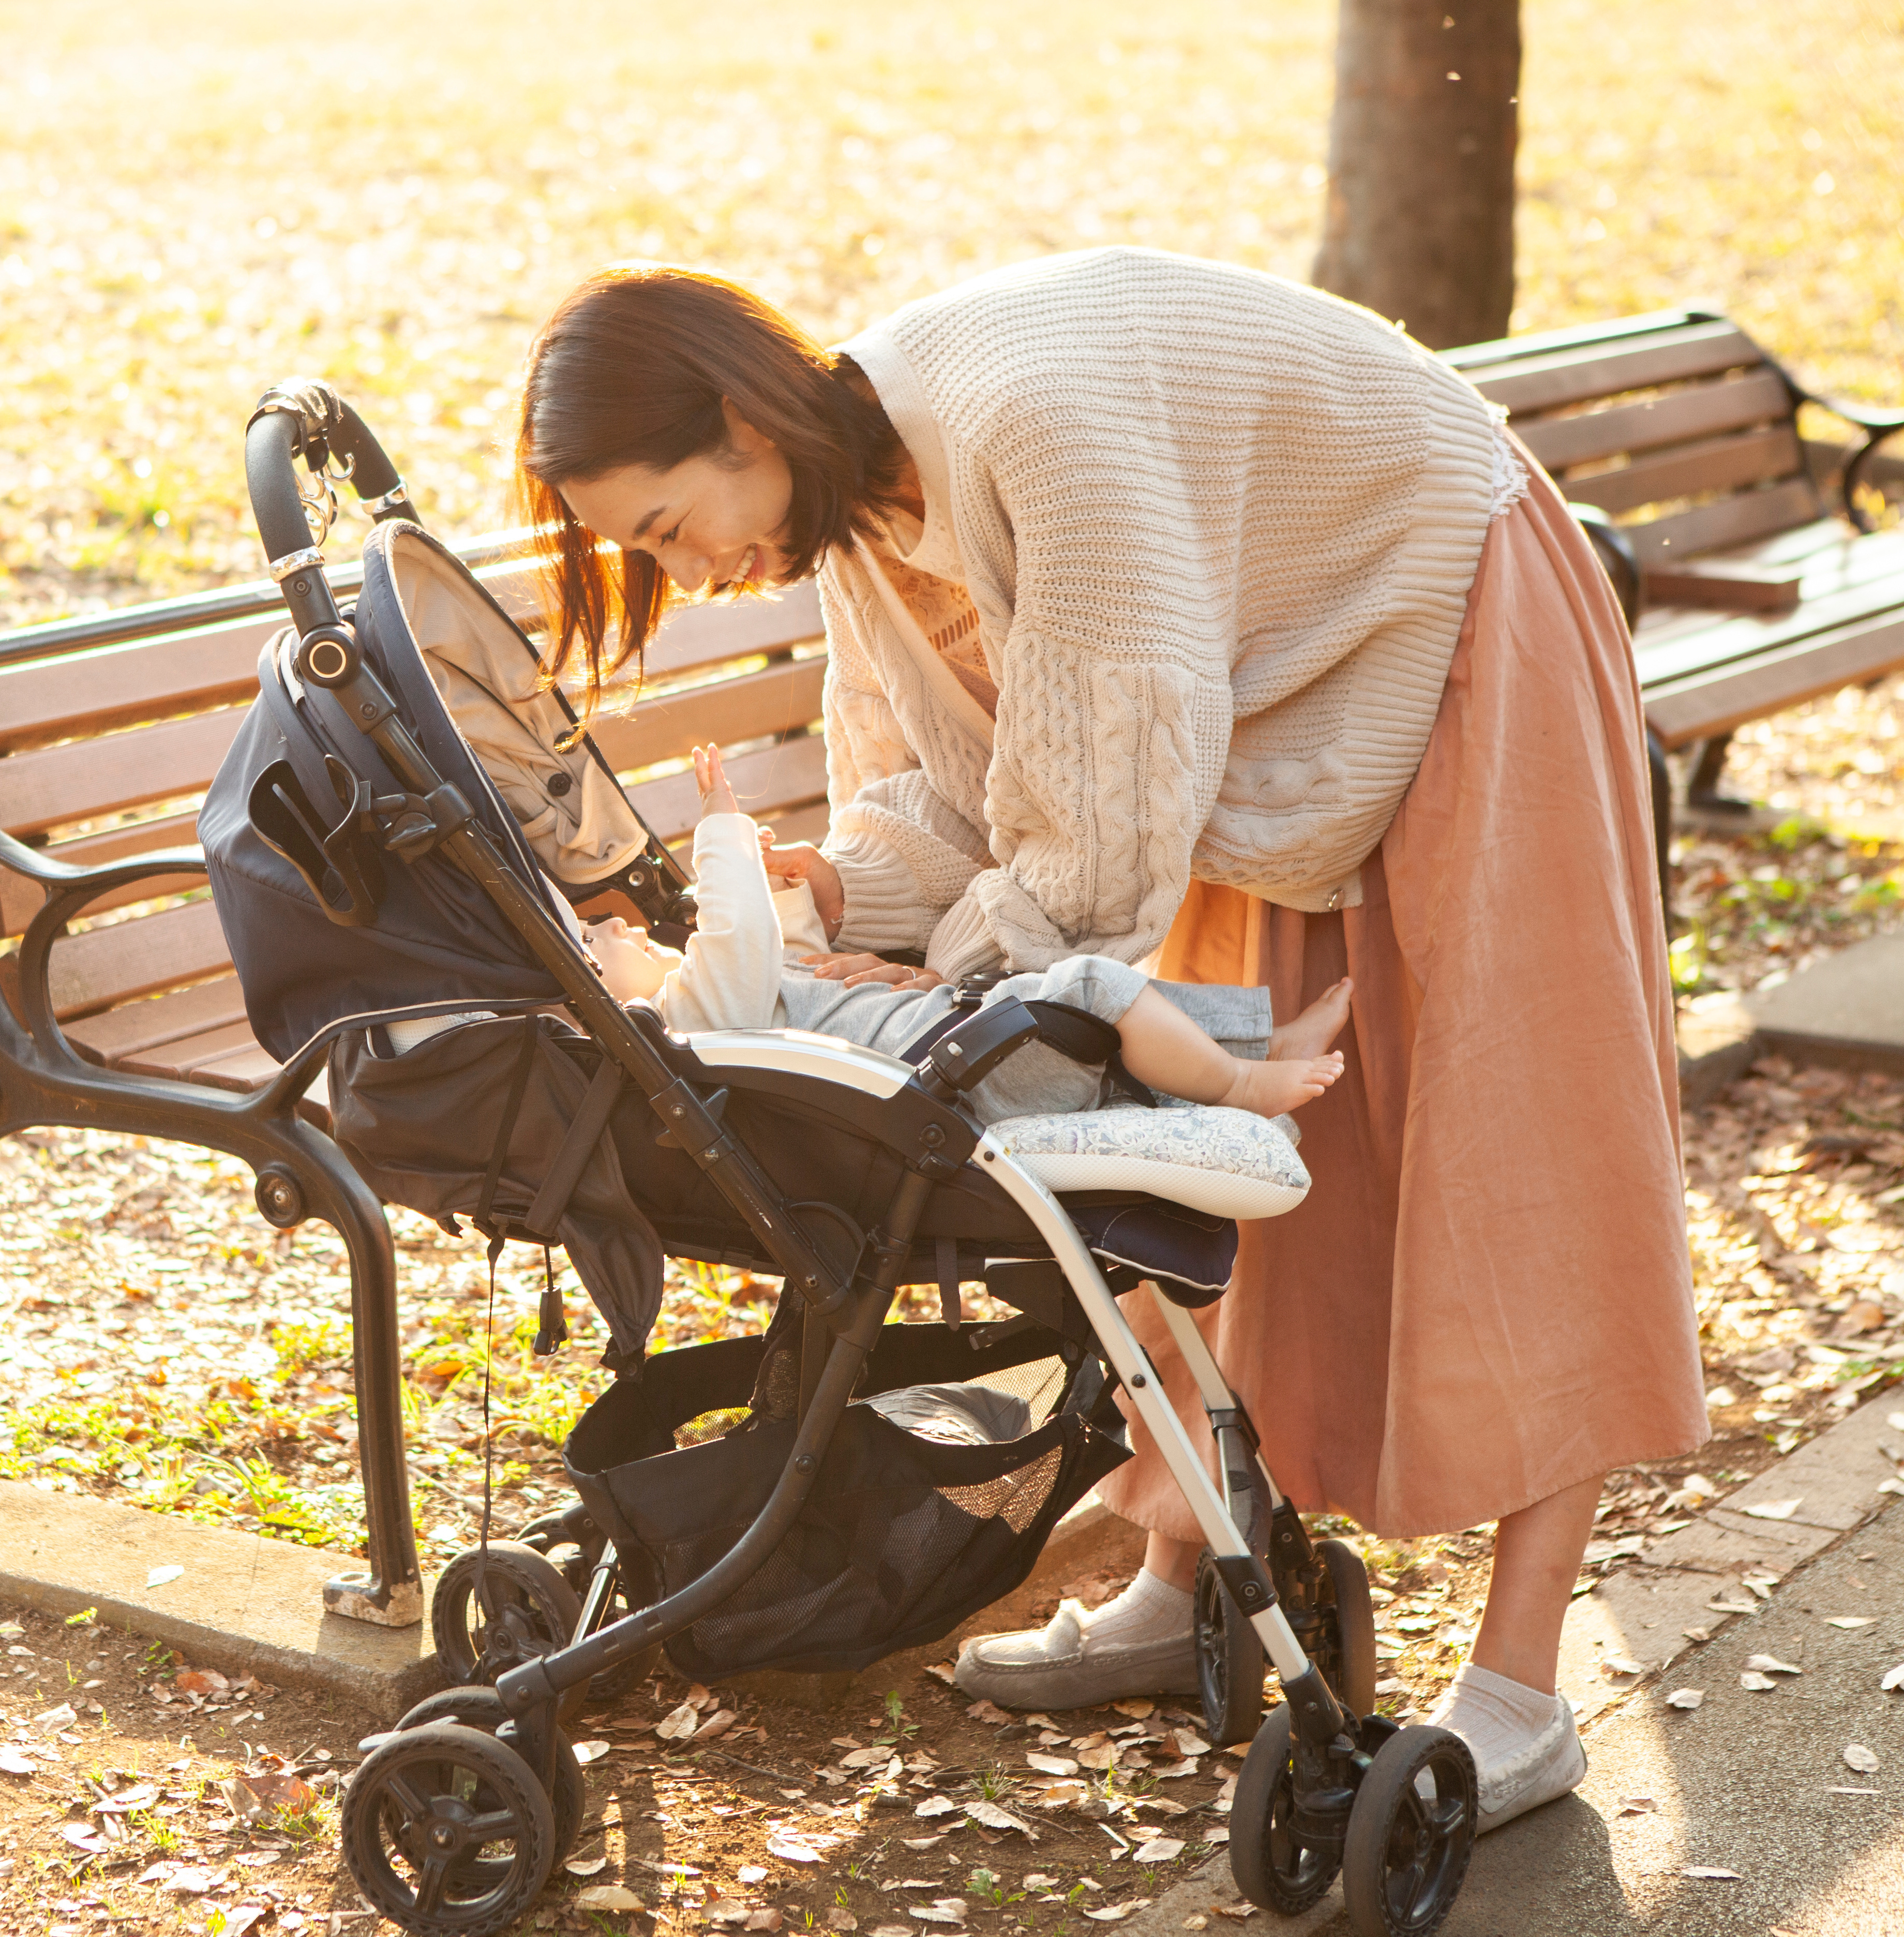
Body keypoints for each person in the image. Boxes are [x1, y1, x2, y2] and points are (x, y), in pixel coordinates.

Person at [515, 247, 1706, 1831]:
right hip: (1247, 713)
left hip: (1447, 604)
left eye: (671, 528)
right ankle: (1181, 1571)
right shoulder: (855, 508)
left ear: (744, 420)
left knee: (1517, 1137)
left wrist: (916, 1026)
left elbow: (1089, 845)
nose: (696, 571)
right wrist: (840, 892)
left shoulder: (1030, 421)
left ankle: (1521, 1689)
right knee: (1188, 1139)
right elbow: (945, 787)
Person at [589, 743, 1354, 1123]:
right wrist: (719, 829)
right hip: (961, 1073)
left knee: (1088, 996)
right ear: (607, 1012)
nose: (620, 931)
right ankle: (1243, 1085)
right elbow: (735, 945)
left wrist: (795, 884)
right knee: (1088, 988)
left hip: (965, 1046)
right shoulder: (690, 1021)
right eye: (598, 945)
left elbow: (789, 959)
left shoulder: (732, 1009)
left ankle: (1262, 1041)